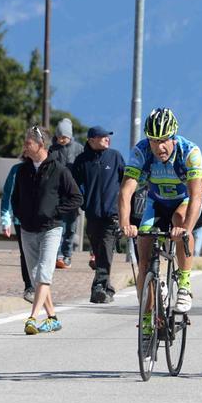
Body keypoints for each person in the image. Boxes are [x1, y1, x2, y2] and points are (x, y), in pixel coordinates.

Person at [118, 108, 202, 331]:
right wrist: (125, 223)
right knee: (143, 257)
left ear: (173, 137)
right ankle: (148, 318)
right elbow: (126, 191)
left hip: (186, 199)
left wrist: (186, 228)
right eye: (153, 141)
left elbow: (196, 197)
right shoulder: (141, 151)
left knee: (180, 220)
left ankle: (185, 285)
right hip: (156, 200)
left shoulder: (190, 151)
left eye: (163, 141)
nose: (159, 147)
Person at [12, 126, 82, 335]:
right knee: (35, 276)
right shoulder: (22, 170)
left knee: (44, 273)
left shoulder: (59, 170)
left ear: (40, 145)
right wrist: (20, 215)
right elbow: (15, 198)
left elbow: (76, 198)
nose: (25, 147)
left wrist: (55, 212)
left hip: (51, 229)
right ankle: (52, 318)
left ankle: (32, 318)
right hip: (27, 229)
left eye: (28, 143)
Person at [72, 125, 125, 304]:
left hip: (112, 215)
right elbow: (74, 184)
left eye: (108, 136)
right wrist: (84, 200)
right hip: (92, 214)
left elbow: (126, 182)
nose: (107, 139)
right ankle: (107, 289)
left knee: (105, 250)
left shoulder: (115, 157)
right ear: (91, 140)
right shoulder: (81, 161)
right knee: (99, 251)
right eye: (103, 137)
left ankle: (99, 288)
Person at [49, 118, 83, 269]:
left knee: (70, 228)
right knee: (57, 227)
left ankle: (67, 255)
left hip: (72, 194)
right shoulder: (52, 150)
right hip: (56, 194)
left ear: (70, 136)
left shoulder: (78, 149)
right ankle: (56, 256)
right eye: (59, 137)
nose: (61, 140)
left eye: (64, 137)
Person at [0, 158, 35, 303]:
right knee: (26, 254)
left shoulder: (50, 167)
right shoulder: (17, 170)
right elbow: (8, 194)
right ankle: (30, 287)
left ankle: (42, 284)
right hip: (22, 220)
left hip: (45, 220)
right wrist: (5, 219)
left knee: (44, 255)